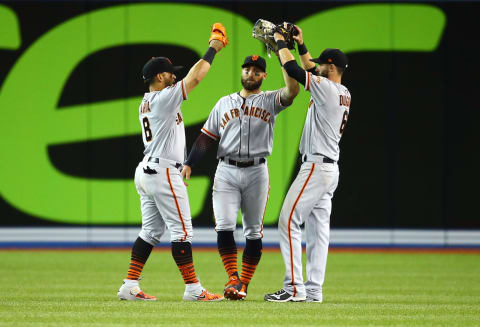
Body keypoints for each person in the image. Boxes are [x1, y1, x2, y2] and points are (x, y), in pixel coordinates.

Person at [117, 23, 228, 302]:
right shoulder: (164, 98)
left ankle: (129, 285)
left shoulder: (149, 100)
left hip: (149, 169)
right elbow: (196, 77)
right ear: (158, 76)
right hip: (163, 170)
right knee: (182, 232)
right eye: (168, 72)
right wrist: (213, 47)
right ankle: (193, 289)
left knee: (151, 231)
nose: (172, 76)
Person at [181, 54, 299, 300]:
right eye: (247, 69)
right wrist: (190, 162)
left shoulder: (270, 100)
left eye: (257, 71)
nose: (251, 74)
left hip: (257, 171)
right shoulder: (224, 102)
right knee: (223, 226)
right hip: (226, 170)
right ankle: (233, 278)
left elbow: (292, 90)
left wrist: (282, 56)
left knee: (253, 232)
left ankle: (243, 283)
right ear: (242, 72)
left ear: (264, 76)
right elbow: (206, 137)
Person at [264, 24, 351, 303]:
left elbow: (294, 71)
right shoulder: (342, 91)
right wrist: (301, 44)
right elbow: (309, 68)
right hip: (329, 168)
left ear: (331, 67)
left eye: (322, 65)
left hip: (315, 167)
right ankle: (313, 289)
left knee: (288, 221)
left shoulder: (325, 88)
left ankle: (294, 288)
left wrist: (280, 42)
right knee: (318, 232)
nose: (317, 68)